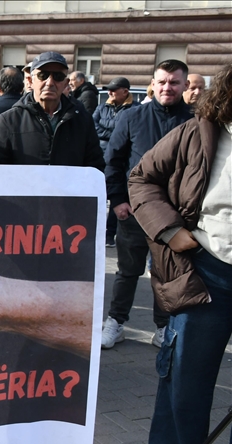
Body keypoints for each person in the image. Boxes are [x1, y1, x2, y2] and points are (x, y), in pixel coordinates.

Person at [129, 63, 232, 444]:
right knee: (186, 380)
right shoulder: (199, 133)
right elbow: (141, 179)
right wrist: (172, 231)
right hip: (206, 273)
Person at [101, 59, 194, 350]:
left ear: (185, 86)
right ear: (152, 84)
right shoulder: (132, 118)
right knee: (127, 272)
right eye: (162, 81)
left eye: (174, 82)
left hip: (175, 217)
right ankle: (116, 322)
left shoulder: (194, 121)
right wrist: (117, 202)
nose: (168, 87)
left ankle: (163, 326)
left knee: (166, 275)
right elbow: (113, 162)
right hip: (134, 213)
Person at [0, 52, 104, 170]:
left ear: (66, 83)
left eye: (58, 77)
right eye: (43, 75)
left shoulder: (82, 120)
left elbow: (95, 167)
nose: (50, 82)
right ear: (30, 81)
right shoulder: (9, 120)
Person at [93, 76, 134, 247]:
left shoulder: (134, 110)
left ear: (125, 92)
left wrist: (117, 136)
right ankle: (97, 230)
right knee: (100, 195)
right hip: (101, 157)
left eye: (114, 90)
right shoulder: (102, 107)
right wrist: (116, 135)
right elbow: (93, 125)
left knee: (116, 196)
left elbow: (128, 132)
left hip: (120, 160)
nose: (110, 93)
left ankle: (111, 234)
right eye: (108, 89)